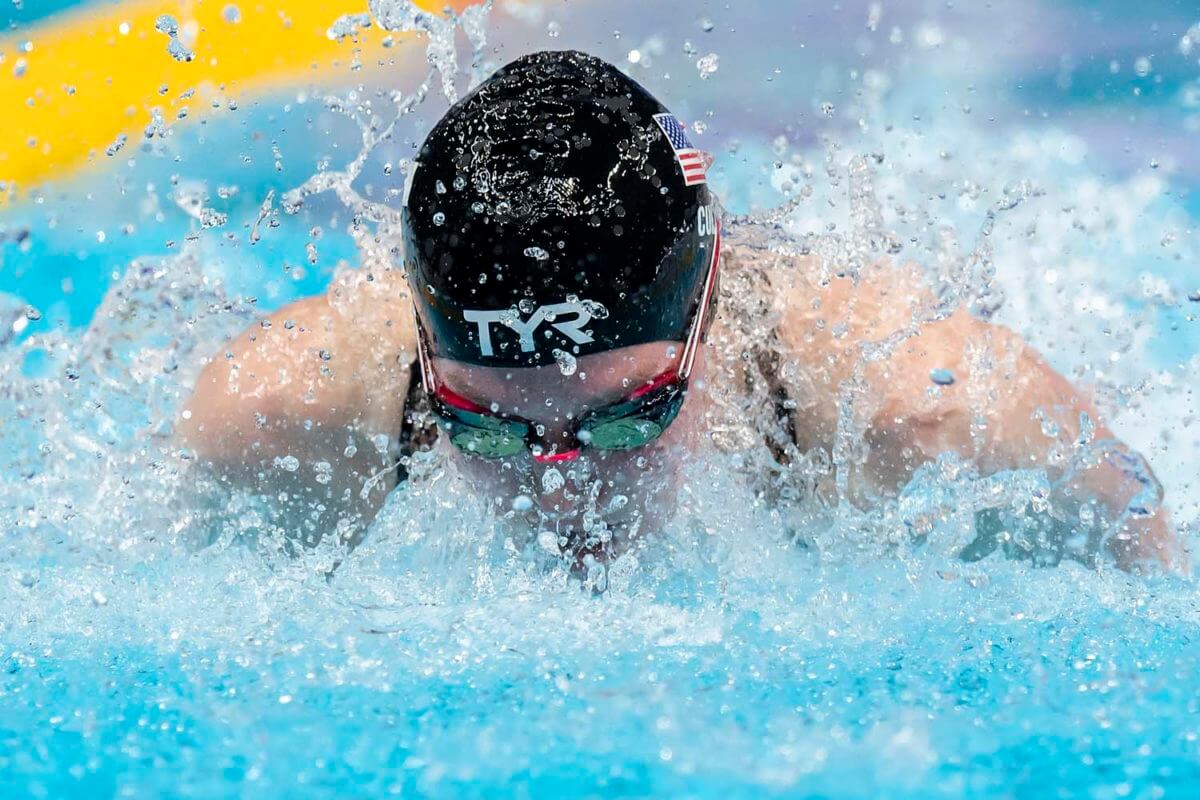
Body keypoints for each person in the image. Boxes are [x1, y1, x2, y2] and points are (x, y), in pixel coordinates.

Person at [178, 50, 1186, 574]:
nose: (559, 488)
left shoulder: (947, 421)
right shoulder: (274, 421)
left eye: (629, 416)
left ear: (706, 309)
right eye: (481, 425)